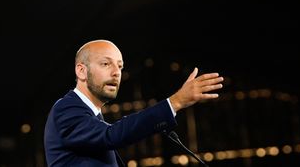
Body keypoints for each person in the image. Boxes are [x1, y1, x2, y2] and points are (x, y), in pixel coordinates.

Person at [44, 39, 223, 167]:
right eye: (106, 64)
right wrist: (174, 102)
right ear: (81, 71)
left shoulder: (92, 116)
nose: (116, 72)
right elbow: (111, 136)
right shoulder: (65, 109)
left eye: (120, 66)